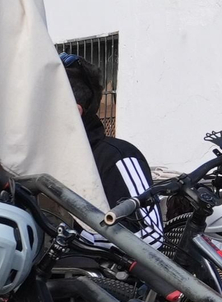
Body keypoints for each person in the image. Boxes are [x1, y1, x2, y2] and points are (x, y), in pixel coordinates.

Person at [63, 54, 164, 249]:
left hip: (102, 278)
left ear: (73, 111)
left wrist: (74, 238)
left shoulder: (118, 157)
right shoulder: (36, 161)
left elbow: (150, 235)